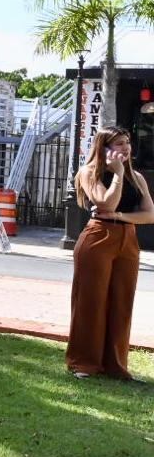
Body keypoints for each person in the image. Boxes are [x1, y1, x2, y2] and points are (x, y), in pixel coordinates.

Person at [66, 127, 151, 382]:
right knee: (91, 302)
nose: (125, 148)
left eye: (127, 143)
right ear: (103, 148)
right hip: (98, 237)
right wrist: (118, 174)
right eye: (118, 144)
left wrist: (122, 216)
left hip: (128, 238)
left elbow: (149, 215)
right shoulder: (89, 172)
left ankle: (116, 366)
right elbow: (106, 203)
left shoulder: (137, 177)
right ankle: (84, 363)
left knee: (122, 302)